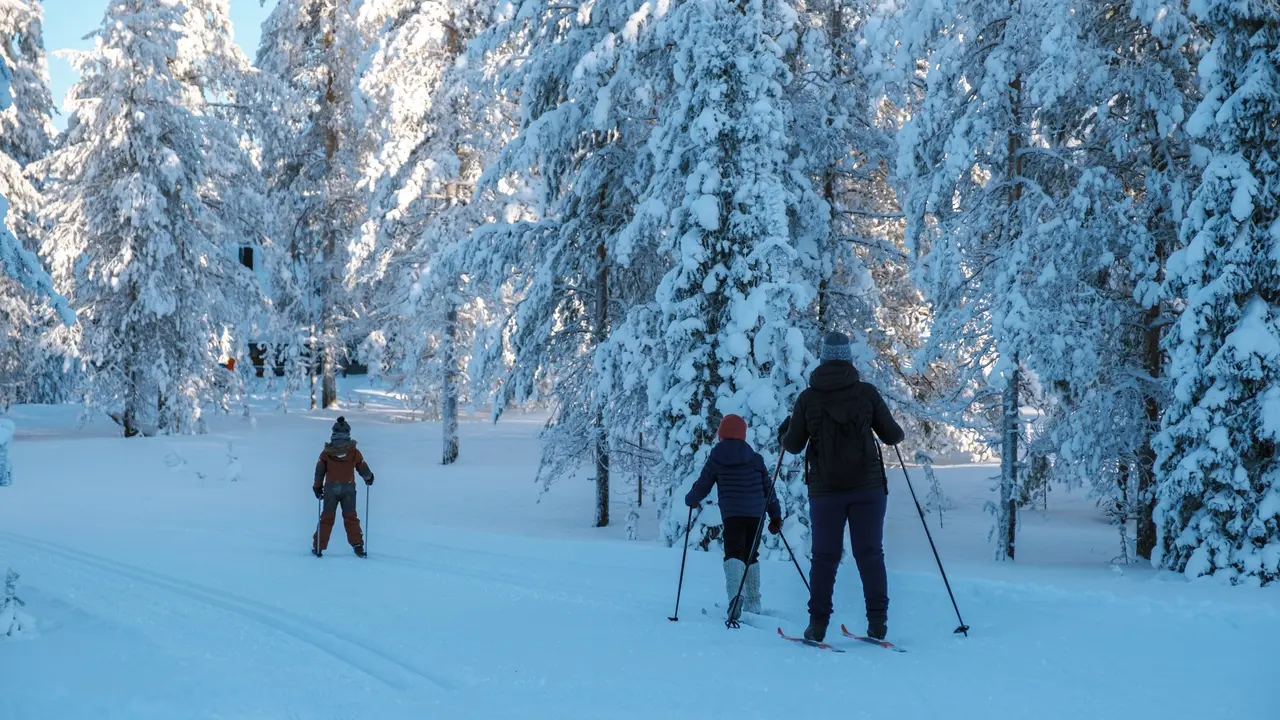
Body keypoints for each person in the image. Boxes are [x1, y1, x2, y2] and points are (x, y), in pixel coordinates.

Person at [780, 331, 904, 642]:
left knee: (824, 557)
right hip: (868, 488)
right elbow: (893, 436)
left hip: (826, 491)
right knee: (870, 554)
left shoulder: (808, 398)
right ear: (848, 359)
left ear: (822, 358)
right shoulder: (867, 393)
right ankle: (878, 622)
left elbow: (793, 445)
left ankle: (817, 625)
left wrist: (787, 428)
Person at [685, 414, 783, 622]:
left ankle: (735, 597)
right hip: (756, 514)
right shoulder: (755, 458)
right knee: (751, 554)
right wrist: (775, 515)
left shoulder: (716, 457)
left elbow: (704, 484)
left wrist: (692, 498)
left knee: (733, 553)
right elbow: (768, 489)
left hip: (732, 514)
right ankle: (753, 602)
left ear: (721, 434)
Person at [312, 416, 375, 558]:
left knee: (327, 517)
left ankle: (318, 546)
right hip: (349, 488)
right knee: (351, 517)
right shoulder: (354, 452)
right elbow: (362, 466)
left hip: (331, 488)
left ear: (333, 433)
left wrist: (317, 487)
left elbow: (319, 471)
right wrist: (368, 477)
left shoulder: (326, 452)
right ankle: (357, 545)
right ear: (348, 434)